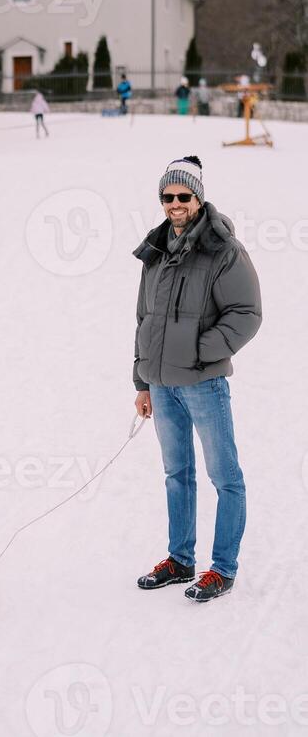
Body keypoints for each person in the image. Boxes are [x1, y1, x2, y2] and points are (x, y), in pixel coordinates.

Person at [132, 156, 262, 602]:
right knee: (176, 473)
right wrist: (141, 381)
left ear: (198, 197)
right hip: (162, 385)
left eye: (183, 196)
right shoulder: (156, 249)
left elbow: (246, 315)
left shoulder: (224, 250)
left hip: (203, 383)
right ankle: (180, 559)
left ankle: (222, 568)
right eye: (167, 197)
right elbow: (144, 318)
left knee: (225, 477)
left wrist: (197, 354)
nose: (175, 204)